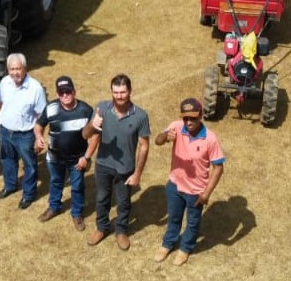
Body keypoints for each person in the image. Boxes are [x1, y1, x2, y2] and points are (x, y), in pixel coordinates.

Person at [82, 73, 151, 250]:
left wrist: (137, 174)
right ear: (111, 92)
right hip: (103, 165)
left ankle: (121, 230)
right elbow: (85, 135)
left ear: (130, 92)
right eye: (116, 92)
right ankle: (102, 228)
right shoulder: (101, 109)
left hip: (126, 169)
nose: (119, 96)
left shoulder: (140, 116)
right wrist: (92, 125)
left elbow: (144, 146)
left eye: (123, 92)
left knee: (123, 201)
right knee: (102, 198)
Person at [154, 97, 226, 266]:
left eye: (193, 117)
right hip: (175, 186)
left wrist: (206, 193)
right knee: (174, 218)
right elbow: (157, 141)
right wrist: (165, 136)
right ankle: (168, 244)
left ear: (200, 115)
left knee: (192, 223)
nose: (188, 121)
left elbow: (218, 168)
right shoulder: (177, 127)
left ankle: (185, 248)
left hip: (196, 192)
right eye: (185, 118)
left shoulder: (210, 139)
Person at [34, 76, 99, 230]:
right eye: (61, 92)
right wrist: (38, 137)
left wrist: (86, 157)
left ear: (74, 91)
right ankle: (54, 207)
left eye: (68, 91)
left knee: (77, 186)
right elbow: (38, 126)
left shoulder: (86, 110)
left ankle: (77, 213)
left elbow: (96, 136)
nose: (65, 95)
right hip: (54, 158)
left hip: (77, 160)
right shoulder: (51, 108)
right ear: (57, 94)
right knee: (56, 182)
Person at [0, 53, 47, 210]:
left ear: (25, 68)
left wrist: (39, 137)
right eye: (12, 69)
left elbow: (41, 115)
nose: (15, 72)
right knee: (7, 159)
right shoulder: (4, 82)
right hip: (5, 130)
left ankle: (29, 195)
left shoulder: (36, 88)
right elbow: (0, 103)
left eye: (18, 69)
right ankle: (10, 186)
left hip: (25, 135)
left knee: (30, 165)